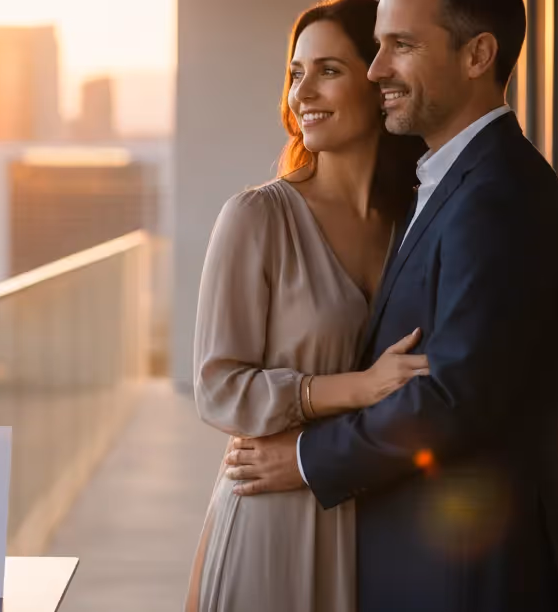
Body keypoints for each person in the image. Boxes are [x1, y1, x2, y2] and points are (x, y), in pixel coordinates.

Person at [222, 0, 558, 610]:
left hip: (469, 575)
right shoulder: (445, 184)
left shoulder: (499, 195)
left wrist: (307, 459)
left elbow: (455, 398)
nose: (375, 69)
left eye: (402, 46)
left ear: (478, 55)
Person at [185, 1, 428, 610]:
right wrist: (356, 388)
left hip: (380, 521)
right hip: (274, 516)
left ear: (376, 82)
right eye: (295, 74)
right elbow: (218, 387)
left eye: (327, 71)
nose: (302, 93)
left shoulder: (415, 223)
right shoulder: (257, 218)